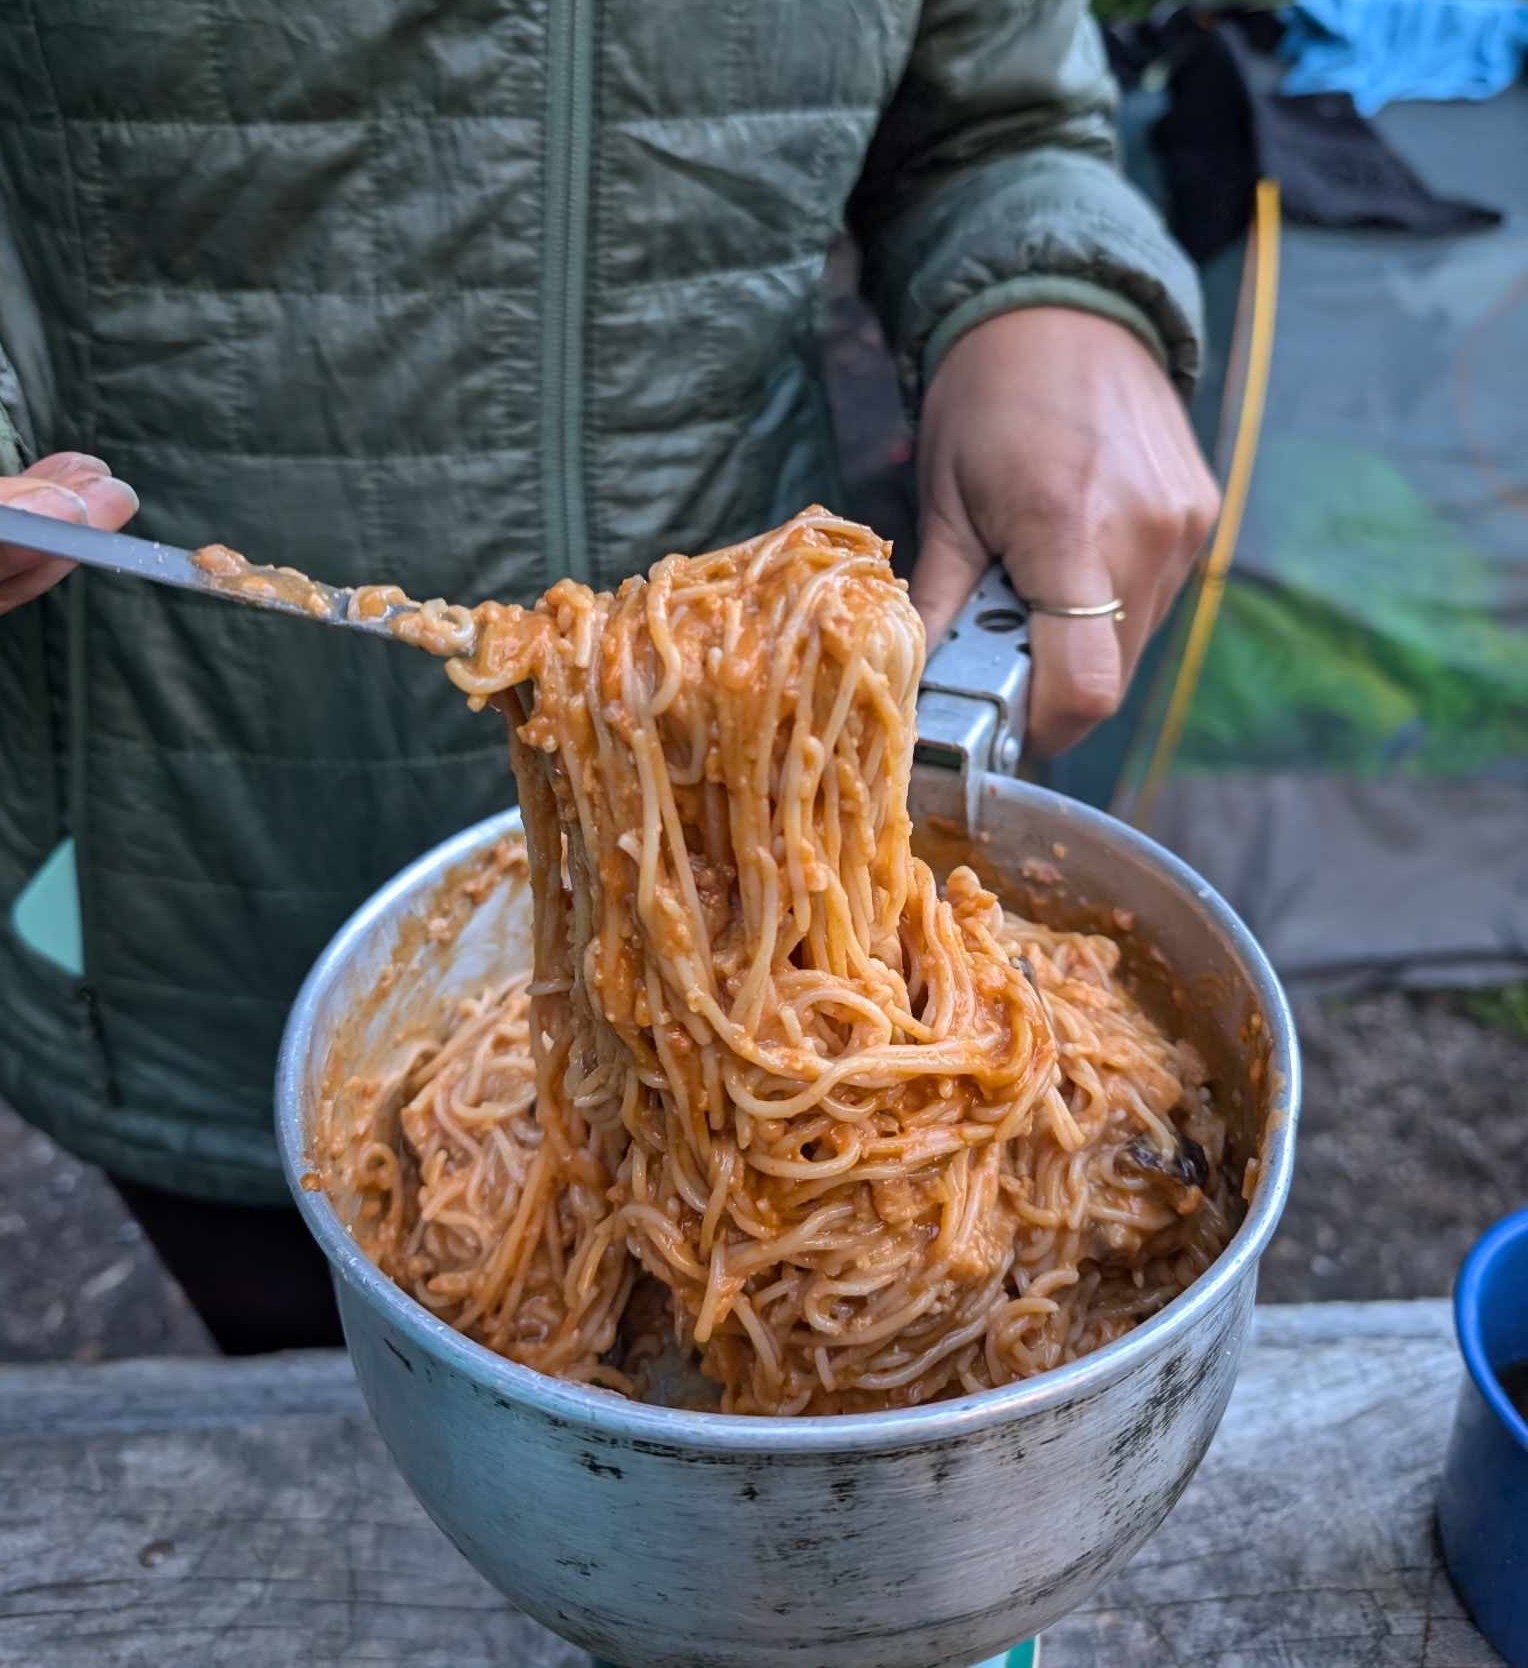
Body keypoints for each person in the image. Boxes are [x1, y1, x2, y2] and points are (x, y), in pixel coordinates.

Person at [0, 0, 1218, 1353]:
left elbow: (992, 115)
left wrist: (1049, 284)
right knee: (304, 1371)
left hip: (762, 729)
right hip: (166, 839)